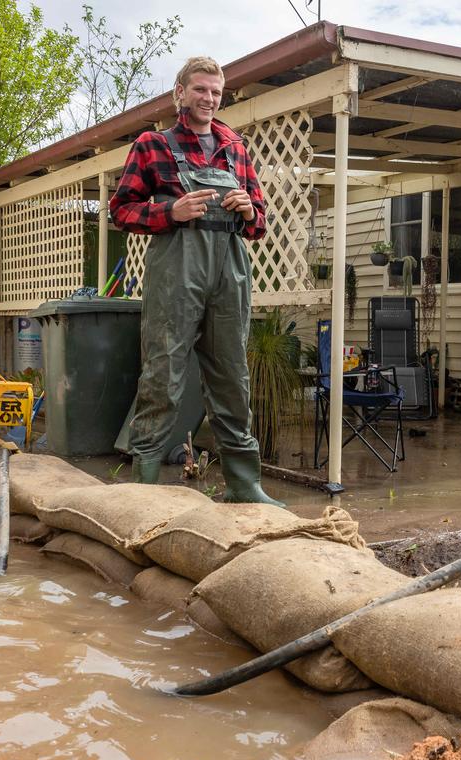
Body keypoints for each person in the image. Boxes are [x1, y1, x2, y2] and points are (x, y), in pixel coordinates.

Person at [110, 56, 283, 507]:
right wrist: (170, 211)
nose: (208, 99)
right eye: (200, 90)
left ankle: (244, 484)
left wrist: (248, 209)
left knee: (231, 375)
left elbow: (259, 223)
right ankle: (144, 483)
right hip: (176, 265)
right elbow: (119, 210)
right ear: (180, 92)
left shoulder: (235, 148)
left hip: (230, 267)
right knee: (163, 372)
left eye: (216, 92)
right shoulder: (153, 145)